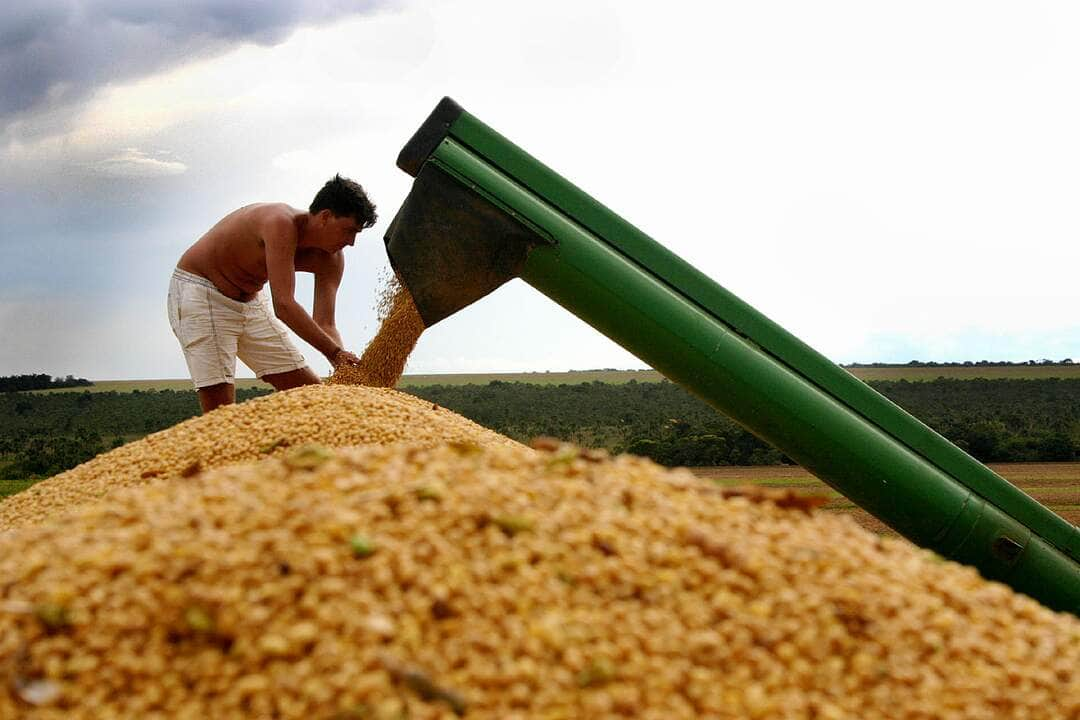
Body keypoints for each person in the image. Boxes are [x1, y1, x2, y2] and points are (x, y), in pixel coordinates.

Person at [168, 174, 376, 413]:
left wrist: (342, 365)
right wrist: (335, 352)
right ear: (325, 217)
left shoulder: (333, 259)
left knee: (310, 396)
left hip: (250, 301)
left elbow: (325, 322)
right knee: (221, 412)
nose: (351, 242)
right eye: (348, 230)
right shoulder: (280, 223)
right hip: (202, 294)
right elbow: (284, 305)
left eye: (356, 234)